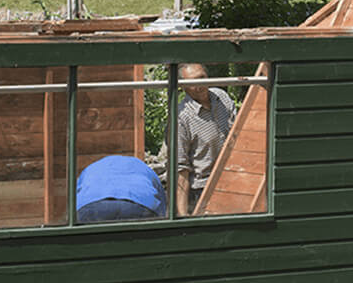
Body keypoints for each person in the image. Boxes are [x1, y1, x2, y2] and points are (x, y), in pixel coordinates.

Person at [172, 63, 234, 214]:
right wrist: (183, 214)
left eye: (202, 78)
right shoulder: (181, 118)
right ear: (183, 87)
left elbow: (238, 132)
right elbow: (181, 168)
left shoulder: (222, 98)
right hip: (203, 190)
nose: (199, 85)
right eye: (192, 83)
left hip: (232, 181)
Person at [75, 155, 165, 223]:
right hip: (140, 203)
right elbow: (161, 200)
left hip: (90, 204)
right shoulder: (144, 168)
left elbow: (76, 196)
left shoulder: (92, 169)